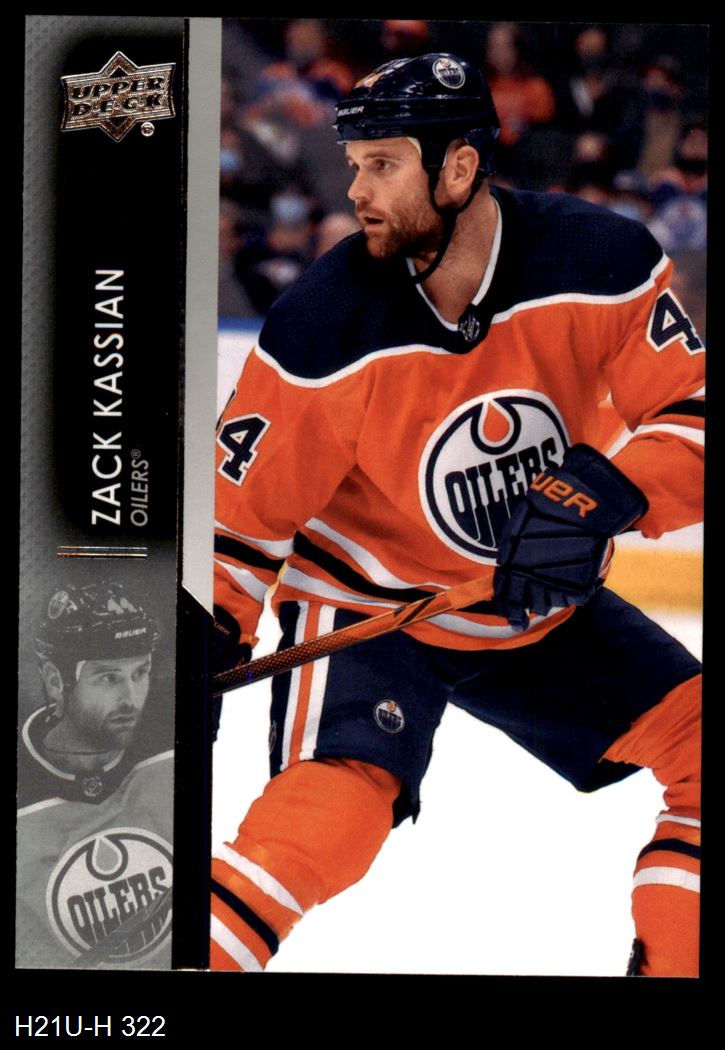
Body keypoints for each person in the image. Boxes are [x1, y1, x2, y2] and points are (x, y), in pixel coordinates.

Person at [211, 53, 703, 976]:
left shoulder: (598, 260)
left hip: (528, 597)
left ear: (459, 167)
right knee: (334, 814)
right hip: (368, 605)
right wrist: (207, 625)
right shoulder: (322, 322)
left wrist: (600, 495)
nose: (356, 190)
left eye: (381, 164)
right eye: (353, 165)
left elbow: (692, 408)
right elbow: (240, 522)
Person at [16, 580, 174, 969]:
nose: (130, 699)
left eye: (140, 673)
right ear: (56, 681)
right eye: (108, 678)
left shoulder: (172, 730)